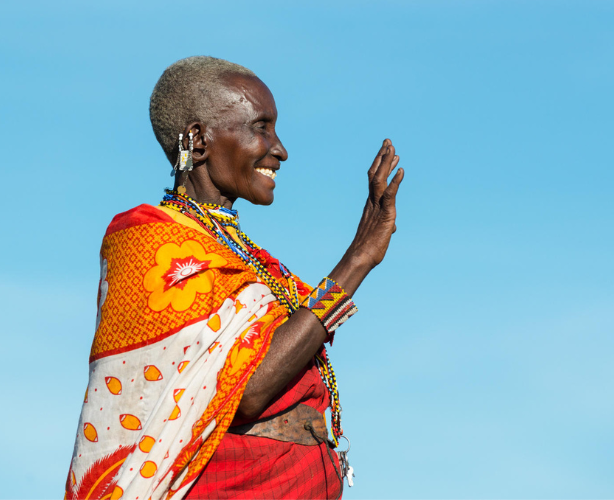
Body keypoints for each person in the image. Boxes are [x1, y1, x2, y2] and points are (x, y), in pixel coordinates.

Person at [64, 56, 404, 499]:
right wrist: (358, 259)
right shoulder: (148, 241)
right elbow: (247, 390)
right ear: (197, 140)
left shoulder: (245, 259)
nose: (280, 149)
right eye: (261, 127)